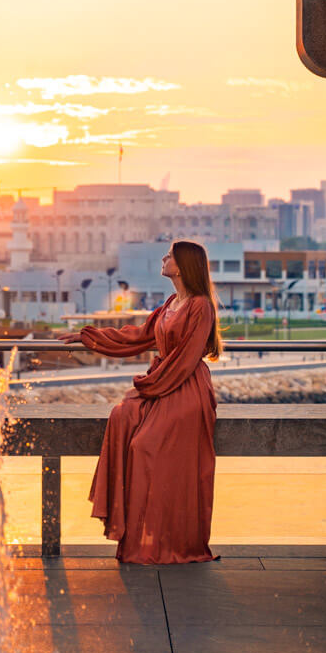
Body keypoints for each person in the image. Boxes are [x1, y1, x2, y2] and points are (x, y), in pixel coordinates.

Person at [59, 240, 222, 564]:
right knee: (121, 416)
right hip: (162, 384)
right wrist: (89, 336)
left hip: (184, 388)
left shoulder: (200, 306)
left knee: (144, 446)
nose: (164, 259)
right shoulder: (172, 302)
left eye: (170, 256)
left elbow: (187, 358)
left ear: (183, 265)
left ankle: (164, 541)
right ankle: (143, 538)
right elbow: (137, 336)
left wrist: (151, 385)